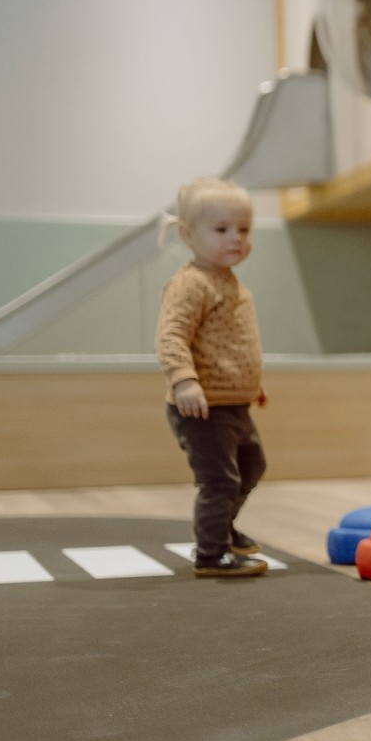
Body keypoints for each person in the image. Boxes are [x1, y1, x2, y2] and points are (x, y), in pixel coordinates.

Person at [156, 177, 269, 578]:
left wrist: (251, 383)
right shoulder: (191, 283)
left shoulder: (229, 280)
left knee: (252, 465)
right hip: (202, 408)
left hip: (232, 404)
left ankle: (220, 527)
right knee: (219, 480)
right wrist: (183, 379)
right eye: (222, 230)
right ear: (187, 234)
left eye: (244, 229)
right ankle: (211, 552)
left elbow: (231, 343)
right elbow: (171, 335)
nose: (236, 238)